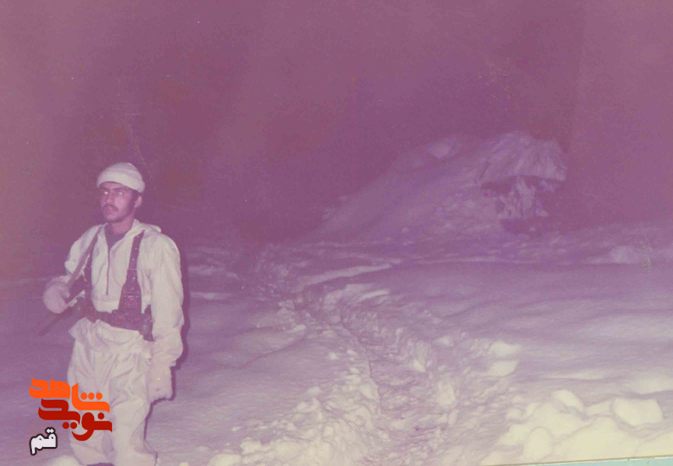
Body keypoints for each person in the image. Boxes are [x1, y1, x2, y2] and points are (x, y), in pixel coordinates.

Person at [42, 162, 184, 466]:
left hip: (131, 350)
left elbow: (169, 313)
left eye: (119, 192)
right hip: (89, 345)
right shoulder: (91, 238)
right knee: (86, 426)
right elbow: (72, 278)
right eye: (105, 192)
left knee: (125, 434)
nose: (109, 199)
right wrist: (57, 291)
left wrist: (163, 365)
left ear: (137, 199)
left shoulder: (156, 246)